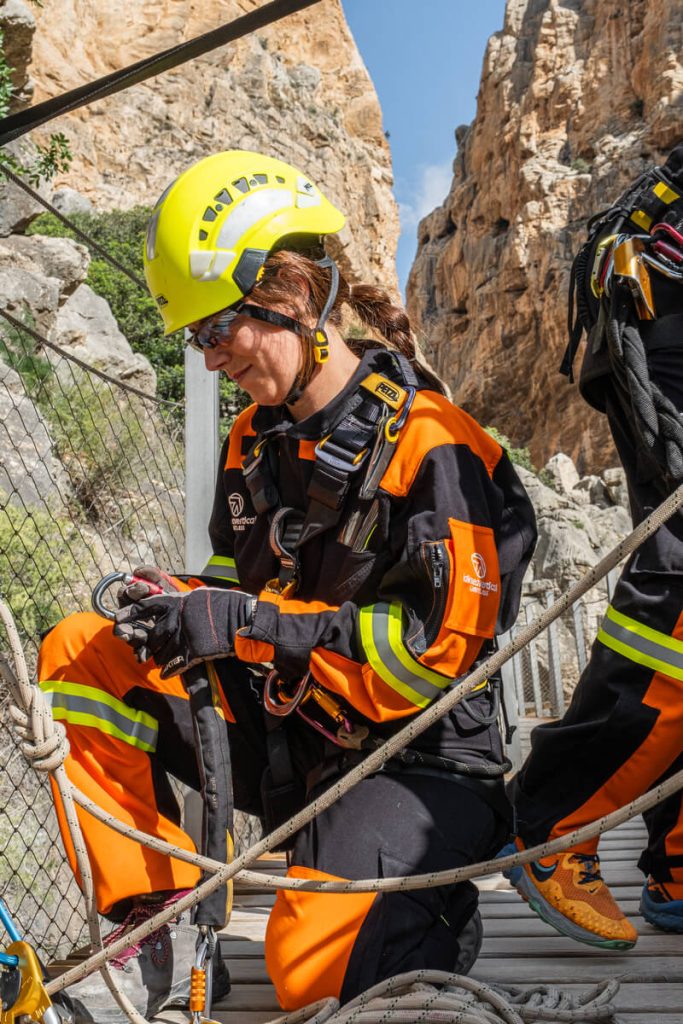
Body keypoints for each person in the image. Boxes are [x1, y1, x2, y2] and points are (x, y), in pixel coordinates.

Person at [39, 150, 537, 1017]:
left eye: (215, 333)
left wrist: (237, 622)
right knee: (81, 653)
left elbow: (425, 660)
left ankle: (425, 919)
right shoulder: (251, 445)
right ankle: (153, 917)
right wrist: (185, 600)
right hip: (291, 735)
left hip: (412, 762)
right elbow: (240, 586)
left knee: (308, 972)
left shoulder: (432, 445)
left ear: (292, 297)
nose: (208, 360)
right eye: (196, 340)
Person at [501, 143, 683, 948]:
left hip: (651, 315)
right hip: (665, 317)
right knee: (676, 621)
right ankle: (555, 824)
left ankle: (676, 866)